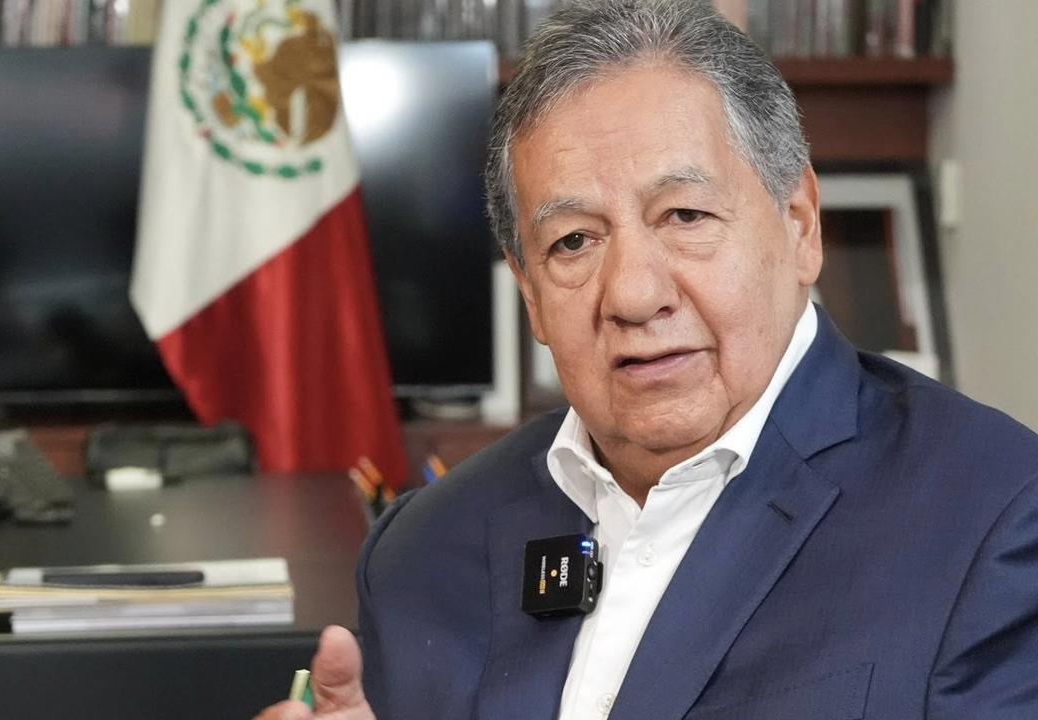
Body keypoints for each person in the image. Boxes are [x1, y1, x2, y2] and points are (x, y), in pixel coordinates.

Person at [256, 1, 1038, 718]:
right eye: (573, 241)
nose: (633, 294)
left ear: (799, 224)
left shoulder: (992, 517)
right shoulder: (421, 551)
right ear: (530, 293)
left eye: (684, 215)